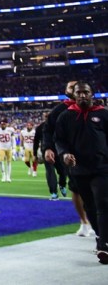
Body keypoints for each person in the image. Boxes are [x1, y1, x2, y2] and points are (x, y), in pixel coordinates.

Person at [54, 81, 108, 264]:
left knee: (103, 203)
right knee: (90, 207)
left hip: (102, 168)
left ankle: (103, 244)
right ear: (74, 95)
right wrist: (64, 154)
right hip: (79, 169)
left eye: (86, 92)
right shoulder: (66, 116)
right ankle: (102, 239)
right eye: (79, 93)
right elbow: (59, 140)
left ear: (92, 94)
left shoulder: (103, 113)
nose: (83, 95)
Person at [44, 80, 94, 236]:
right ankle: (84, 222)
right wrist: (47, 148)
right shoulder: (61, 110)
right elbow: (48, 130)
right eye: (71, 87)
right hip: (71, 156)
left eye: (77, 87)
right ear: (67, 91)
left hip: (95, 155)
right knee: (77, 188)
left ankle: (96, 222)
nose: (75, 90)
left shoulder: (96, 108)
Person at [34, 119, 67, 200]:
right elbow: (36, 141)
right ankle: (54, 192)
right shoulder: (40, 127)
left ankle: (62, 184)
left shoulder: (59, 125)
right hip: (46, 152)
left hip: (58, 151)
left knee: (63, 171)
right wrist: (35, 154)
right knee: (50, 171)